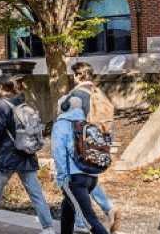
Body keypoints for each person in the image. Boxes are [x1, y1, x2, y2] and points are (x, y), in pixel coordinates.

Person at [0, 75, 54, 234]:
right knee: (36, 193)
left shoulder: (1, 105)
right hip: (26, 154)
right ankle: (48, 228)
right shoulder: (23, 103)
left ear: (1, 87)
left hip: (7, 155)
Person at [60, 62, 121, 233]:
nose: (73, 78)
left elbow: (66, 126)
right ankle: (100, 213)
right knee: (69, 202)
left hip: (78, 153)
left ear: (79, 75)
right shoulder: (100, 94)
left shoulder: (75, 96)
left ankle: (86, 222)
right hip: (97, 151)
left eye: (74, 75)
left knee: (77, 195)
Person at [52, 95, 110, 234]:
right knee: (67, 208)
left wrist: (61, 179)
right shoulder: (87, 126)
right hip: (91, 177)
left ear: (64, 107)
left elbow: (58, 153)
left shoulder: (60, 125)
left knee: (88, 218)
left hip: (73, 179)